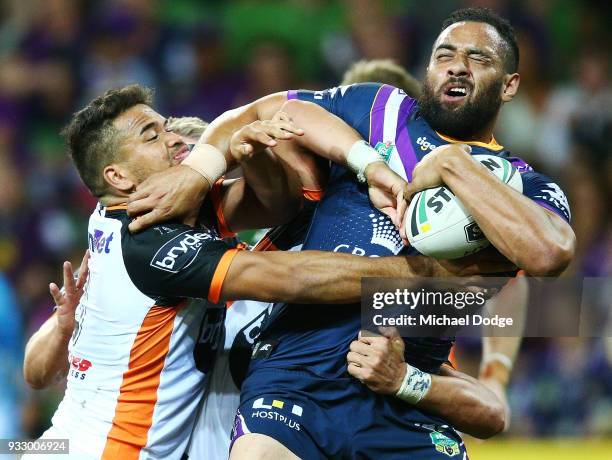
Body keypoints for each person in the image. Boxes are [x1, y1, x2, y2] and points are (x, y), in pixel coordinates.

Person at [127, 7, 575, 459]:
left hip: (405, 390)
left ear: (510, 84)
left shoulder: (524, 184)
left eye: (478, 58)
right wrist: (199, 173)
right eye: (445, 55)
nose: (457, 65)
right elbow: (261, 113)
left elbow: (550, 254)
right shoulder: (379, 111)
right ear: (428, 68)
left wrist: (454, 165)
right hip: (297, 374)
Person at [24, 82, 495, 460]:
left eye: (173, 133)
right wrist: (427, 275)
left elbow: (276, 160)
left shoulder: (154, 218)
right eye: (155, 136)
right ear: (119, 179)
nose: (176, 146)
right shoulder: (157, 244)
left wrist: (248, 153)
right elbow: (289, 277)